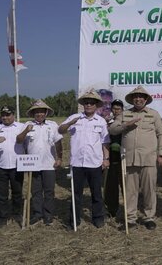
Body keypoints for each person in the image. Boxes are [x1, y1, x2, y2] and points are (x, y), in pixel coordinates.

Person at [109, 85, 162, 230]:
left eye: (141, 97)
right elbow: (112, 129)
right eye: (136, 97)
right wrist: (125, 125)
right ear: (132, 99)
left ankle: (149, 217)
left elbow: (161, 134)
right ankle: (131, 219)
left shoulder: (153, 114)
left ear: (146, 99)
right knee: (130, 191)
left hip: (149, 159)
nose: (138, 99)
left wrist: (160, 153)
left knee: (149, 190)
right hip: (129, 159)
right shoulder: (125, 114)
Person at [59, 91, 110, 228]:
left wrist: (106, 159)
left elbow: (105, 142)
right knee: (76, 194)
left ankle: (98, 218)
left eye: (91, 103)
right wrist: (70, 122)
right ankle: (74, 220)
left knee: (96, 193)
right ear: (83, 105)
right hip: (77, 163)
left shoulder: (101, 121)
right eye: (86, 102)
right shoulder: (75, 118)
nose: (88, 105)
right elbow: (60, 130)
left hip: (94, 163)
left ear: (96, 106)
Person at [16, 99, 63, 226]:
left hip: (49, 164)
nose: (39, 114)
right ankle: (37, 214)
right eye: (37, 112)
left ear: (46, 113)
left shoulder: (53, 125)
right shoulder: (26, 125)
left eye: (42, 112)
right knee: (35, 191)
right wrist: (26, 131)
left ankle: (48, 215)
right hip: (33, 164)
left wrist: (59, 158)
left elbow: (58, 142)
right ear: (32, 113)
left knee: (49, 191)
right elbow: (19, 140)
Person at [0, 105, 24, 228]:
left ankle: (17, 214)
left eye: (8, 115)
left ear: (13, 115)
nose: (5, 117)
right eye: (3, 115)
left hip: (17, 165)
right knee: (1, 194)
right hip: (0, 166)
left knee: (17, 192)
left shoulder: (21, 127)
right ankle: (2, 218)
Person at [104, 99, 124, 218]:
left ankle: (128, 208)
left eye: (118, 109)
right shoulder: (107, 122)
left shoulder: (125, 121)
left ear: (122, 110)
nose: (116, 111)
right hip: (110, 158)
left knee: (126, 185)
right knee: (111, 186)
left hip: (124, 157)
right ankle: (112, 209)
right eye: (114, 108)